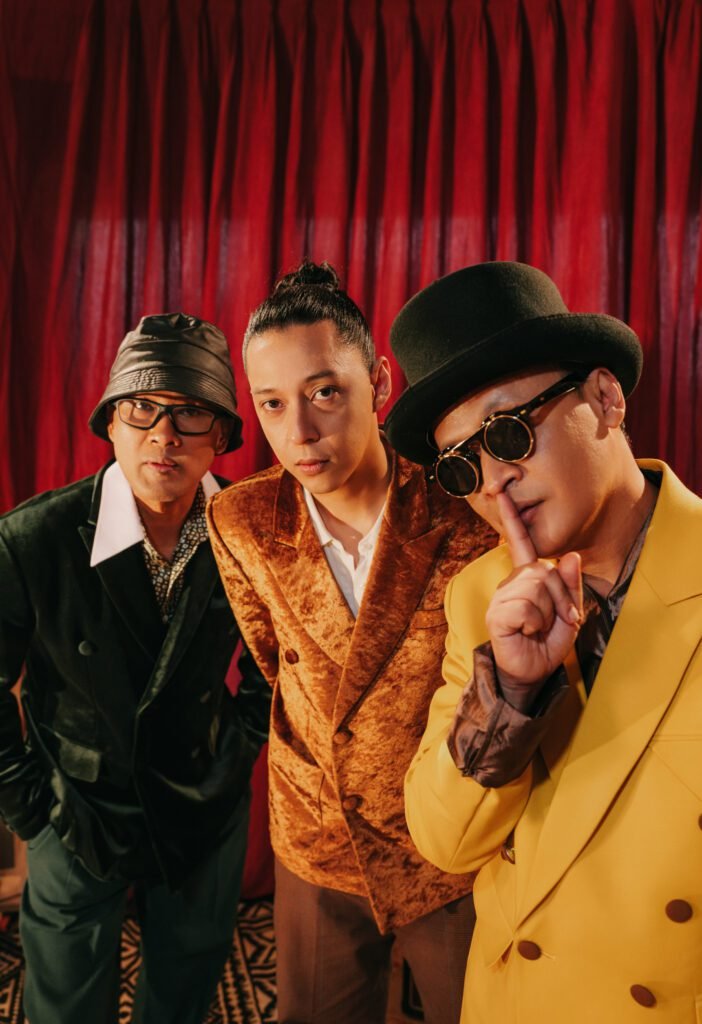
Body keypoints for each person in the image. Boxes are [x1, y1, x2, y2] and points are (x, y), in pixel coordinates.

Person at [384, 259, 702, 1023]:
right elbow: (444, 842)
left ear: (606, 399)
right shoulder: (480, 595)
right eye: (462, 465)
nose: (493, 481)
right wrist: (509, 694)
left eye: (508, 431)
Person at [206, 261, 496, 1024]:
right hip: (318, 835)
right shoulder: (241, 521)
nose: (298, 433)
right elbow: (273, 663)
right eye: (272, 404)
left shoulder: (466, 507)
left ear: (380, 381)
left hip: (450, 844)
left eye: (325, 393)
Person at [0, 312, 271, 1024]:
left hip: (204, 803)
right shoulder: (33, 539)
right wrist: (30, 809)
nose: (164, 435)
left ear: (222, 435)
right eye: (141, 409)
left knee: (184, 991)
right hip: (74, 808)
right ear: (111, 424)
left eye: (190, 414)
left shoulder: (251, 534)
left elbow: (277, 661)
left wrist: (239, 746)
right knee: (65, 1001)